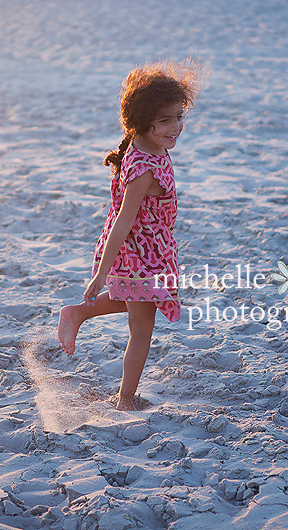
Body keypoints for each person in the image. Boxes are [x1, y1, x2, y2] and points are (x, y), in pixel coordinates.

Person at [57, 61, 200, 411]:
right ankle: (125, 400)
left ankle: (78, 313)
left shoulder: (142, 144)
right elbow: (123, 222)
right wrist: (99, 276)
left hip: (149, 245)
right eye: (165, 120)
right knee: (142, 329)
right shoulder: (143, 170)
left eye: (179, 116)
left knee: (141, 300)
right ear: (143, 121)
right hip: (140, 250)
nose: (176, 127)